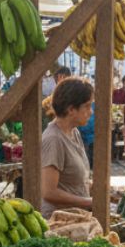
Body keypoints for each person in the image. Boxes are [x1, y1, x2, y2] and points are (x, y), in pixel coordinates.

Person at [40, 78, 94, 218]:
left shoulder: (73, 132)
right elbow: (49, 192)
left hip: (77, 217)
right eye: (87, 106)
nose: (91, 112)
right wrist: (88, 202)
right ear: (71, 109)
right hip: (59, 222)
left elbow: (77, 182)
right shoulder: (54, 139)